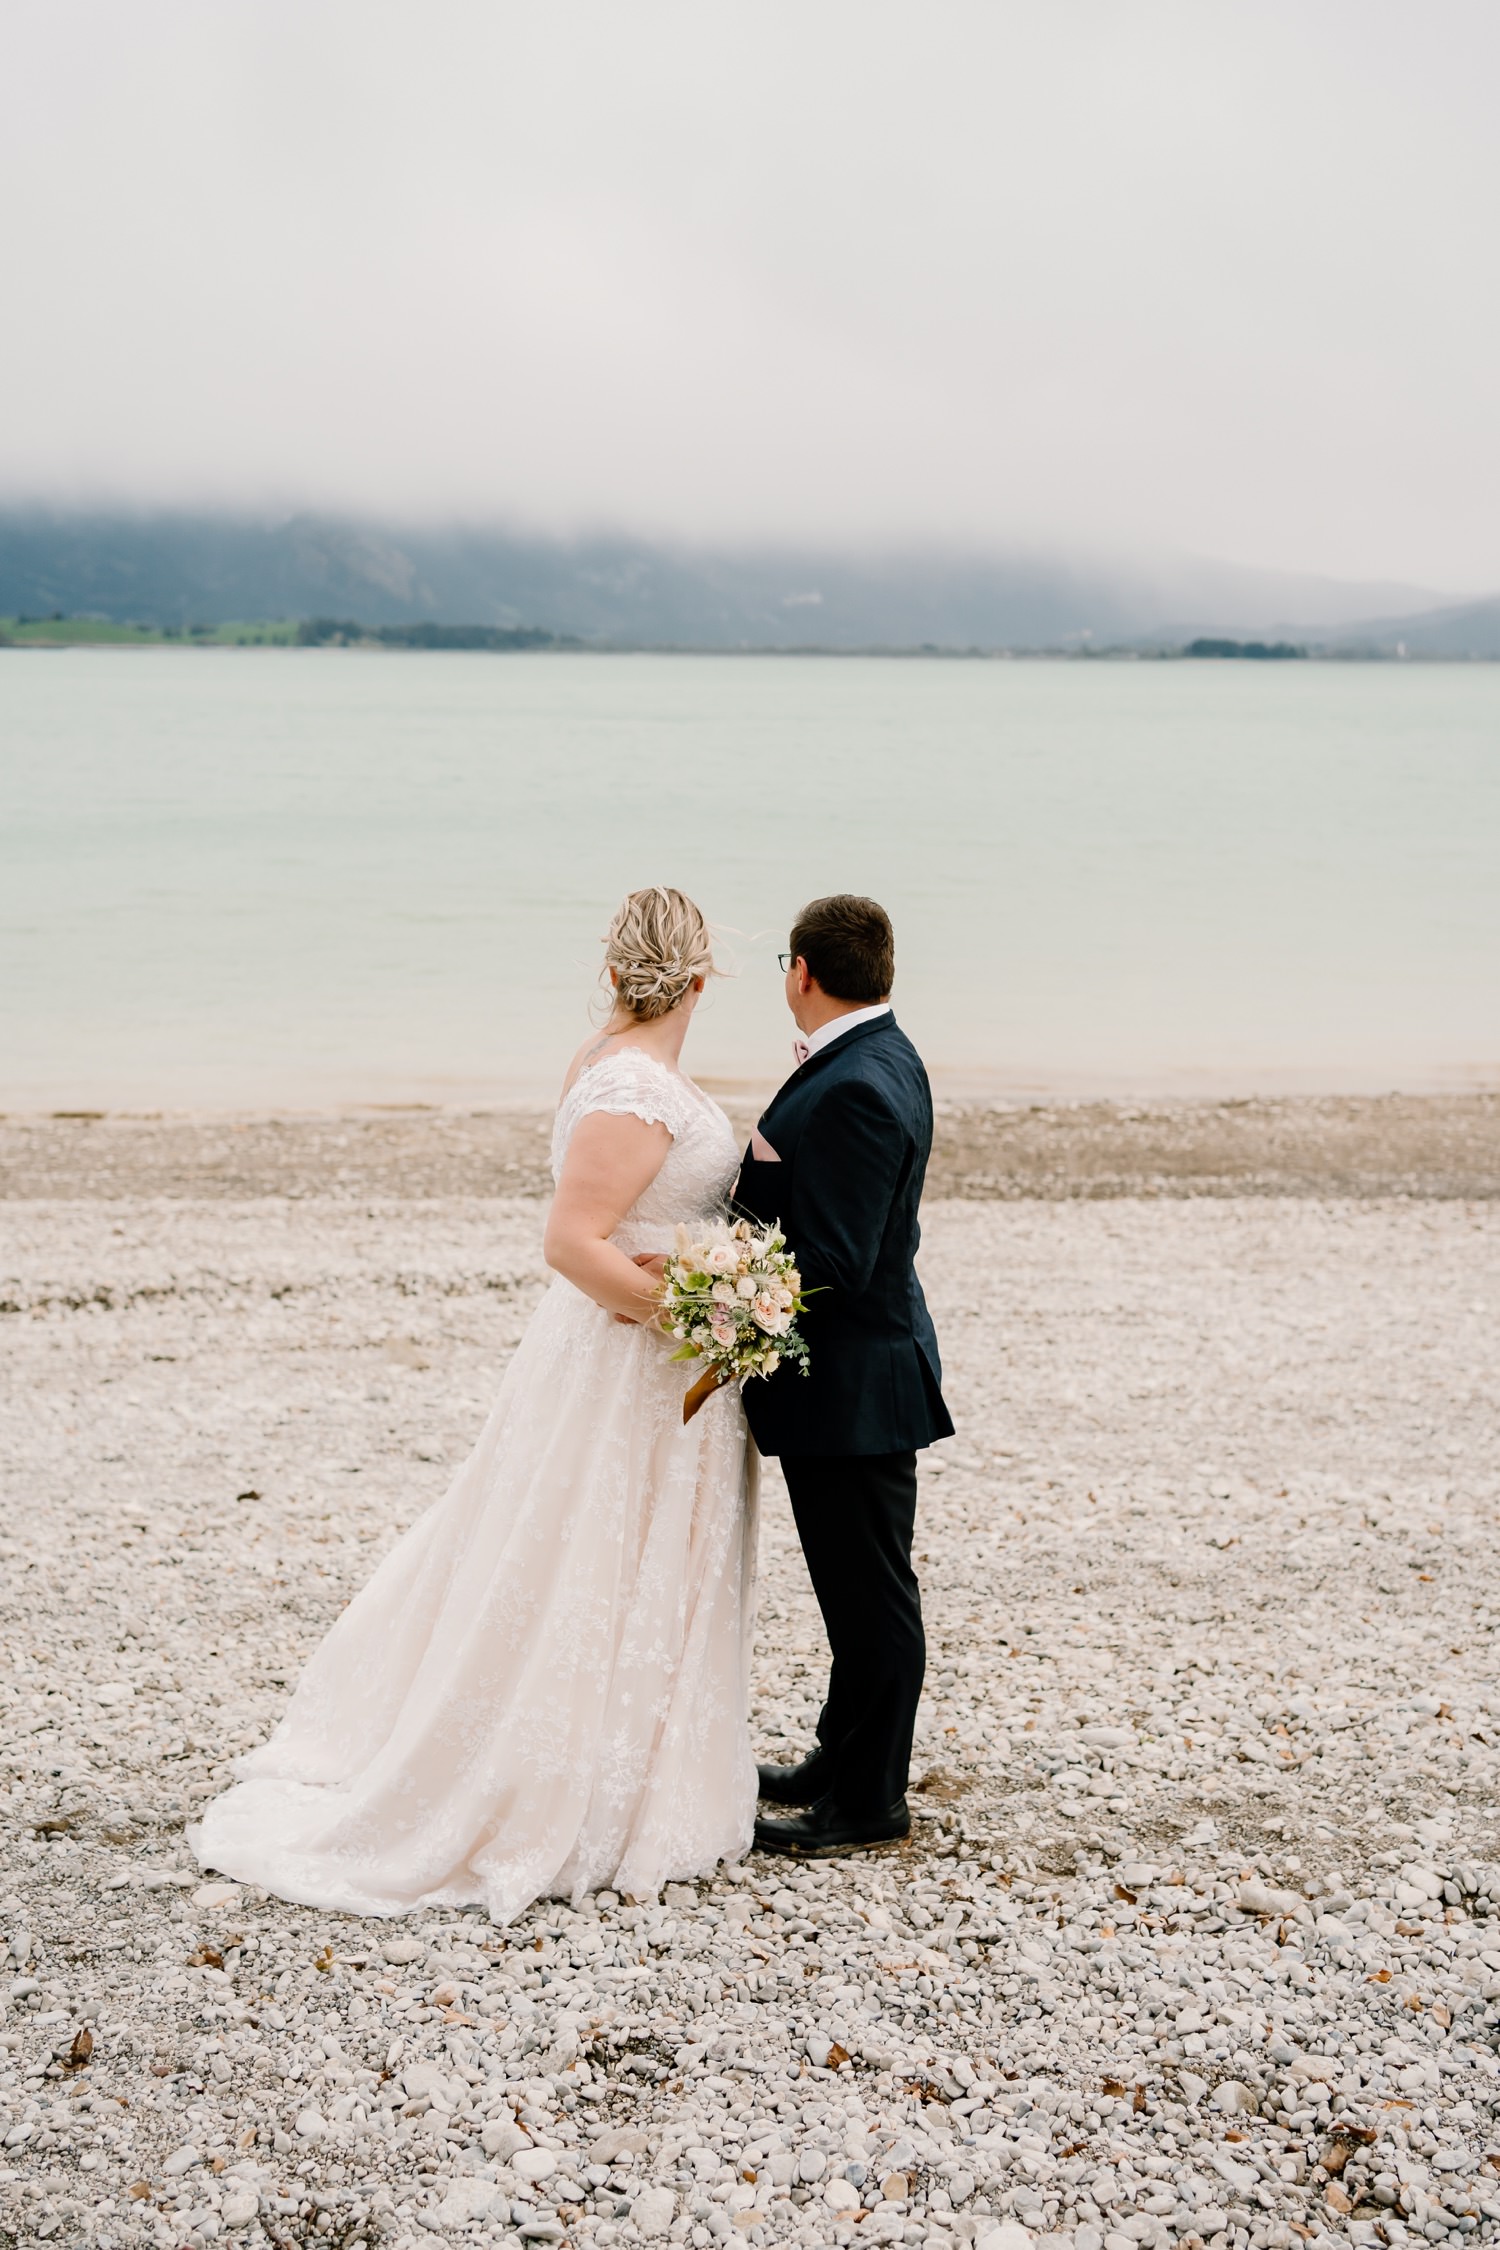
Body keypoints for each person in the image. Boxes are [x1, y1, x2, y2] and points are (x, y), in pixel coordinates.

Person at [191, 887, 758, 1922]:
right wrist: (695, 1317)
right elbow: (571, 1241)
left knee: (607, 1552)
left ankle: (631, 1760)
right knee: (582, 1551)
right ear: (703, 976)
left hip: (630, 1358)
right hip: (630, 1360)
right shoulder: (634, 1086)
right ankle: (545, 1783)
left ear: (619, 969)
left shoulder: (616, 1058)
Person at [735, 894, 954, 1857]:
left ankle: (869, 1803)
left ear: (803, 971)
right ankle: (838, 1759)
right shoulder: (882, 1054)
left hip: (854, 1385)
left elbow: (837, 1260)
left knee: (871, 1601)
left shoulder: (858, 1082)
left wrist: (724, 1283)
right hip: (862, 1375)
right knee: (857, 1594)